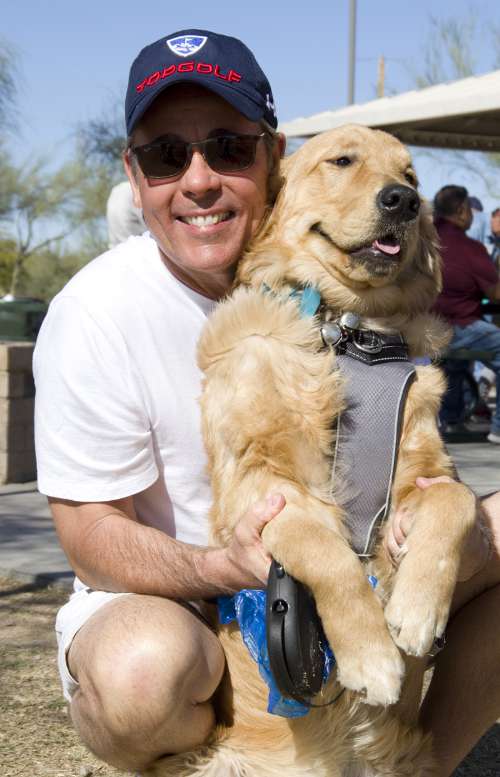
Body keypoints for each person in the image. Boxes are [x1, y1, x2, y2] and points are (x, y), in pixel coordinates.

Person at [32, 30, 499, 777]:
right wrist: (222, 566)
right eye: (166, 156)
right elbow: (89, 533)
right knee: (140, 670)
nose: (198, 180)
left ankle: (417, 764)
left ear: (272, 163)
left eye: (228, 148)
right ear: (134, 174)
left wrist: (443, 523)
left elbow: (422, 484)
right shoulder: (97, 311)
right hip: (186, 605)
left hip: (363, 589)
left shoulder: (371, 330)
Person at [433, 185, 500, 444]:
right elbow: (495, 294)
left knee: (455, 361)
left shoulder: (422, 242)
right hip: (458, 326)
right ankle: (498, 428)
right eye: (470, 211)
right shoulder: (470, 248)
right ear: (461, 210)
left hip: (424, 326)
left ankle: (451, 418)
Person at [106, 179, 145, 248]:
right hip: (138, 246)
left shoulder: (117, 190)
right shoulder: (133, 191)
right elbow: (149, 222)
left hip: (116, 248)